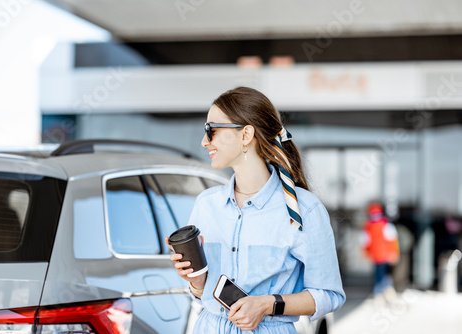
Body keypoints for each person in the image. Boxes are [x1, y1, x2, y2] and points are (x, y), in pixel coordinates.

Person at [166, 87, 346, 333]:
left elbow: (329, 295)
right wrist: (197, 284)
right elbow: (201, 296)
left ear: (246, 135)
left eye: (212, 130)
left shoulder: (304, 209)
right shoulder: (206, 205)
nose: (204, 141)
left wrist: (267, 304)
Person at [360, 202, 400, 298]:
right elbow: (365, 242)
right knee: (381, 272)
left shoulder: (378, 226)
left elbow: (392, 240)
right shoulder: (370, 227)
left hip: (383, 254)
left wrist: (394, 252)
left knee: (383, 272)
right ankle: (383, 290)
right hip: (378, 255)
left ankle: (383, 290)